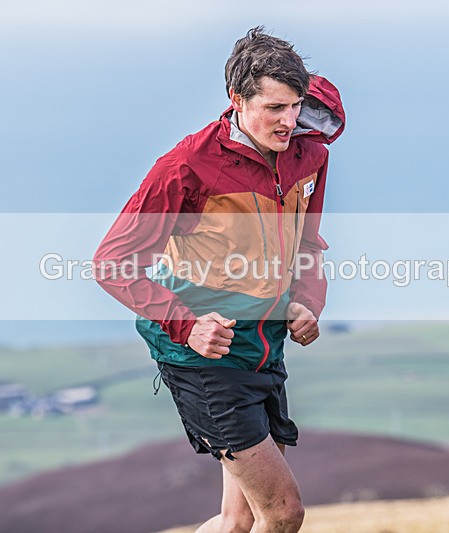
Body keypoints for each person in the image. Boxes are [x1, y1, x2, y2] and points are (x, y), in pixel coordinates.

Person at [94, 26, 344, 532]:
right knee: (284, 512)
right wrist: (187, 326)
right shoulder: (187, 166)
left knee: (237, 520)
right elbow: (113, 261)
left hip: (262, 346)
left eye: (295, 105)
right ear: (237, 98)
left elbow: (308, 245)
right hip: (202, 356)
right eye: (274, 108)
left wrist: (306, 302)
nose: (289, 120)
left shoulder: (310, 155)